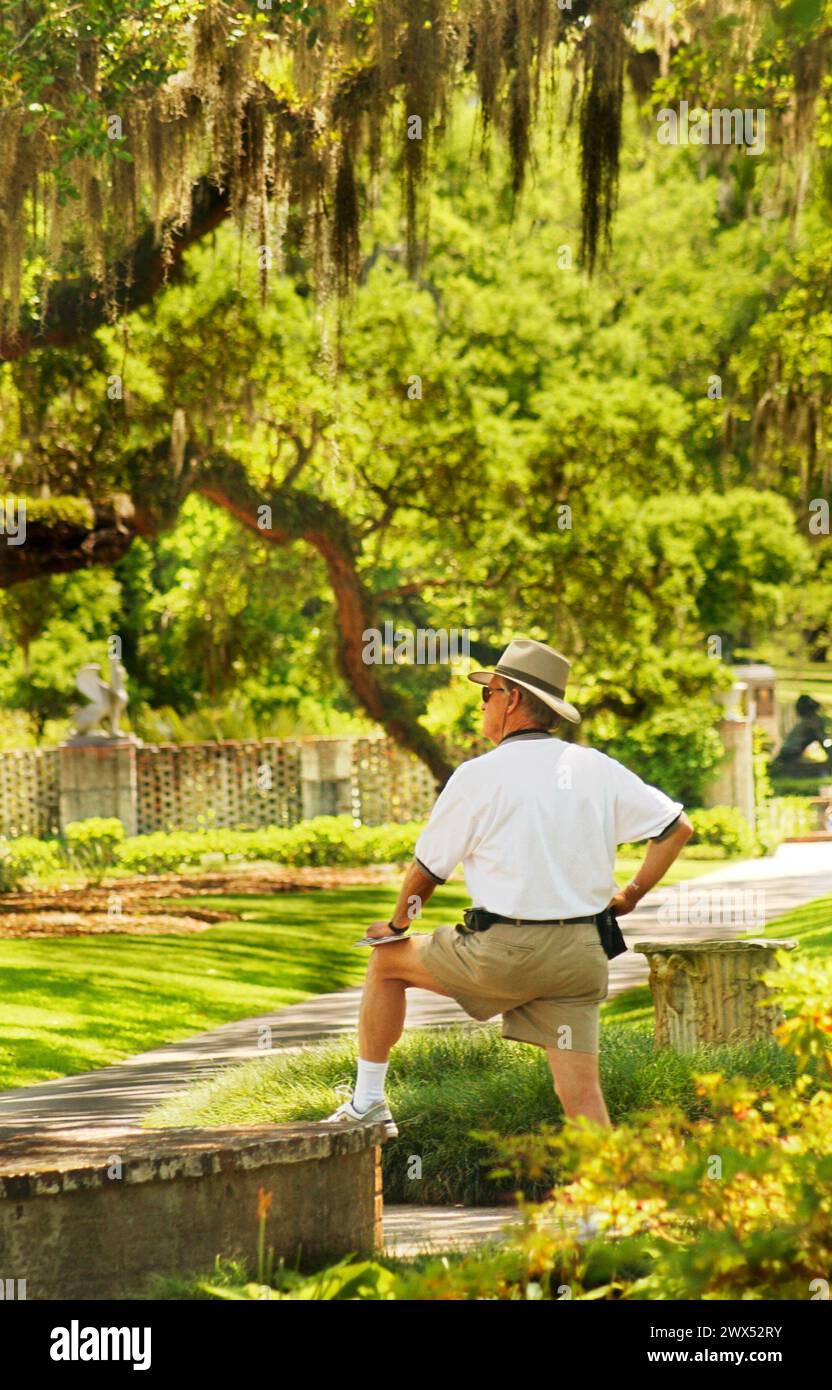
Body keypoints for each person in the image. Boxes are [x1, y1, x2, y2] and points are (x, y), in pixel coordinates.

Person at [321, 638, 693, 1137]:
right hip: (581, 956)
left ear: (512, 699)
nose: (484, 705)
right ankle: (604, 1208)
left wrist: (397, 925)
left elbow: (427, 873)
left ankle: (367, 1101)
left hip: (505, 953)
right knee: (582, 1098)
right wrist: (631, 894)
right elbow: (676, 828)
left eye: (488, 694)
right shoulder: (596, 767)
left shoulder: (478, 775)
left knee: (387, 962)